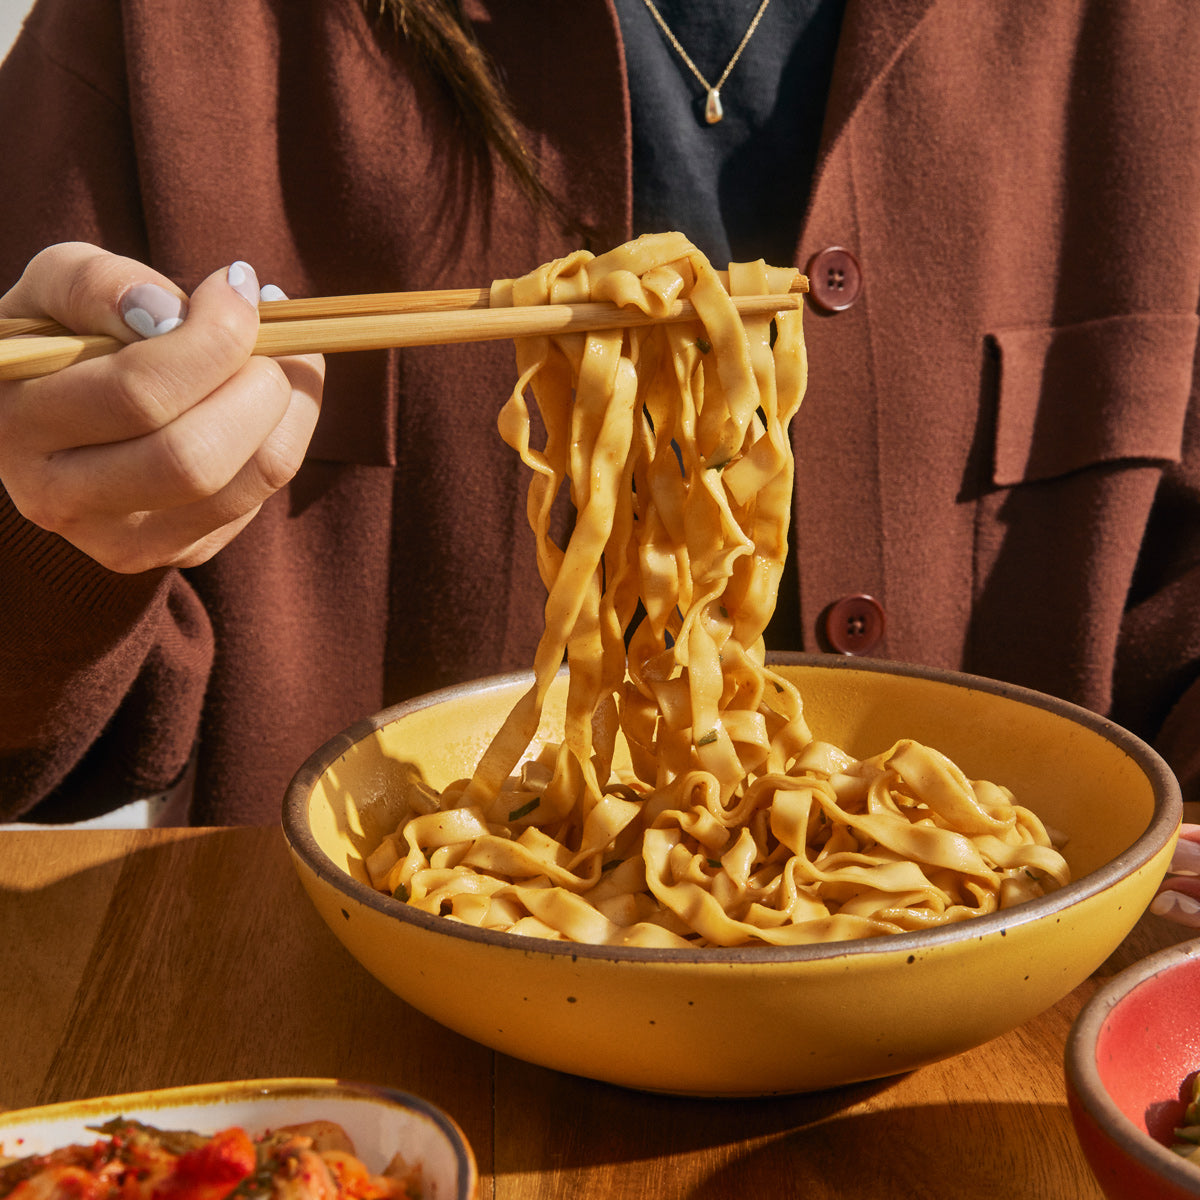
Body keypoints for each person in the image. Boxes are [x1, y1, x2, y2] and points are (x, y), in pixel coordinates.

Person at [0, 0, 1198, 922]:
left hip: (1026, 1090)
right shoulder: (174, 30)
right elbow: (38, 761)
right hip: (352, 1077)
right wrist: (48, 532)